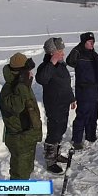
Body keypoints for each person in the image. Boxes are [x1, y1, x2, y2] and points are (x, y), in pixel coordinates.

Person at [0, 53, 42, 196]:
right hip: (18, 138)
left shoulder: (20, 85)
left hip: (26, 136)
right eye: (28, 71)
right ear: (20, 72)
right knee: (18, 173)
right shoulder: (9, 90)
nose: (31, 74)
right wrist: (23, 86)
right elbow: (16, 107)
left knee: (25, 170)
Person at [36, 37, 76, 174]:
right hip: (54, 105)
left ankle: (56, 154)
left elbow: (65, 84)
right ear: (52, 53)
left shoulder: (61, 65)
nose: (63, 54)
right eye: (60, 51)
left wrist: (71, 98)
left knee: (61, 129)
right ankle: (50, 161)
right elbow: (41, 79)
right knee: (54, 131)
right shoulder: (46, 67)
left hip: (63, 103)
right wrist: (51, 63)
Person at [66, 32, 98, 150]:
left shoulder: (95, 55)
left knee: (93, 115)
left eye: (93, 42)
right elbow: (69, 61)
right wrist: (77, 48)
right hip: (84, 91)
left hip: (96, 90)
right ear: (83, 43)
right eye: (89, 42)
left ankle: (91, 136)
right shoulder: (78, 54)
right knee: (82, 116)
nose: (92, 44)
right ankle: (77, 140)